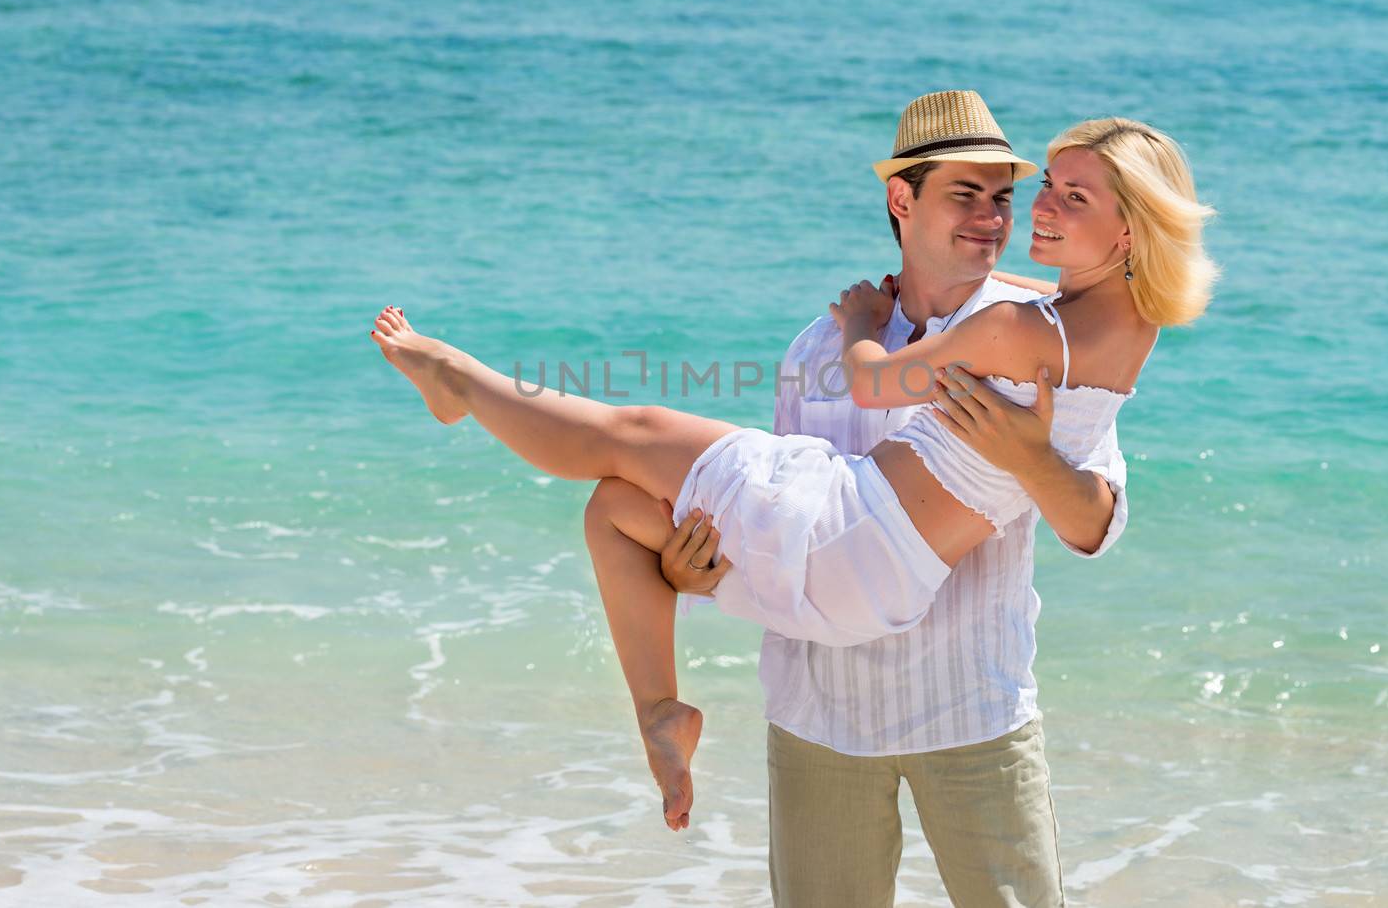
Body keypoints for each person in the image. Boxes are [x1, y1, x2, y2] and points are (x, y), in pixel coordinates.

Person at [369, 100, 1215, 883]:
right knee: (619, 507)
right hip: (823, 705)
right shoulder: (834, 347)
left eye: (1007, 196)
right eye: (969, 195)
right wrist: (684, 568)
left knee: (627, 434)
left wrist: (1027, 458)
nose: (1000, 217)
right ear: (901, 202)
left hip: (968, 705)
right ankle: (661, 709)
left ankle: (458, 379)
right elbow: (781, 510)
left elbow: (1093, 521)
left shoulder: (1028, 333)